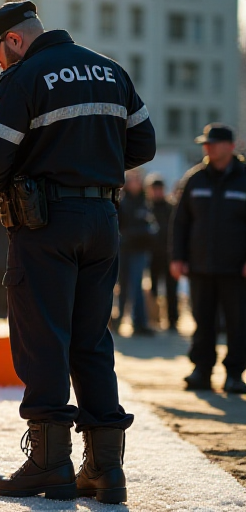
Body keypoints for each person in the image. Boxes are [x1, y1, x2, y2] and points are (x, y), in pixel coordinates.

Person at [0, 2, 155, 504]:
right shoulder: (109, 69)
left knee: (43, 338)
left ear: (12, 40)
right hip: (103, 221)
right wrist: (92, 162)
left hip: (43, 224)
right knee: (91, 340)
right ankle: (105, 470)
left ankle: (50, 464)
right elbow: (144, 144)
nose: (1, 67)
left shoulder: (25, 76)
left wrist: (30, 178)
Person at [171, 123, 246, 394]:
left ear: (229, 145)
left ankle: (235, 375)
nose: (208, 147)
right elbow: (180, 222)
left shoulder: (244, 177)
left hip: (236, 269)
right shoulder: (195, 178)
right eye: (205, 143)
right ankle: (201, 371)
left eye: (213, 143)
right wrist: (177, 257)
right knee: (203, 321)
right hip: (200, 266)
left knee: (238, 323)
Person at [114, 169, 158, 336]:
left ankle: (139, 323)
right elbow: (119, 226)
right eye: (133, 180)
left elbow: (151, 226)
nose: (136, 183)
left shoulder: (145, 202)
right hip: (123, 249)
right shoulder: (121, 202)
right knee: (122, 287)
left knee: (137, 286)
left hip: (139, 250)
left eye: (138, 180)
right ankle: (117, 321)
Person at [146, 174, 180, 332]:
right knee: (152, 288)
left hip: (168, 254)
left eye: (159, 189)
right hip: (152, 255)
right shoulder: (146, 207)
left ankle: (173, 320)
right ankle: (153, 319)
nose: (157, 192)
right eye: (154, 189)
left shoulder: (170, 207)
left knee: (171, 289)